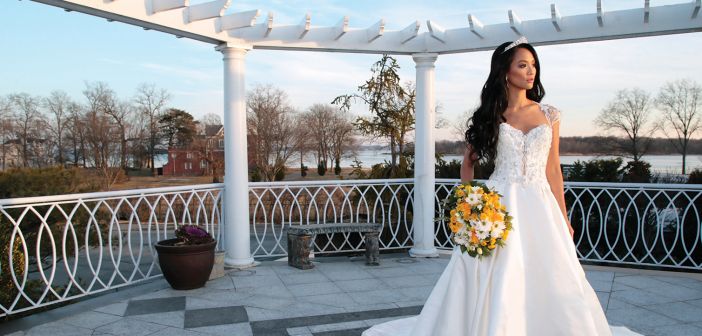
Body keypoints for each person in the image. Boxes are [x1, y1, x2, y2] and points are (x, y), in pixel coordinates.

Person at [362, 37, 642, 336]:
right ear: (505, 72)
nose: (530, 71)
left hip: (540, 204)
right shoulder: (490, 116)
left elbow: (553, 169)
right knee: (498, 271)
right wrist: (470, 208)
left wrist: (564, 216)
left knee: (549, 271)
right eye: (522, 65)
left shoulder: (550, 114)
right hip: (500, 203)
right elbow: (467, 164)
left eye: (533, 65)